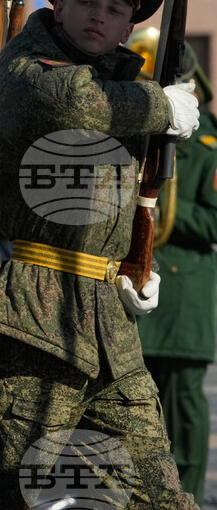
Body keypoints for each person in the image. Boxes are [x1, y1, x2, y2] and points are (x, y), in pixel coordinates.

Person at [0, 0, 200, 507]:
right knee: (6, 490)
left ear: (130, 25)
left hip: (109, 327)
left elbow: (122, 203)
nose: (98, 15)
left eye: (115, 8)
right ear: (57, 4)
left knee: (156, 493)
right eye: (86, 0)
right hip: (33, 317)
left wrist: (140, 264)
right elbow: (80, 105)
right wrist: (163, 105)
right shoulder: (26, 67)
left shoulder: (130, 89)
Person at [130, 29, 217, 503]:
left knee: (182, 404)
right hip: (136, 281)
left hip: (184, 292)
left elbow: (213, 222)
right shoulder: (135, 143)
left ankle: (191, 495)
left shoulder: (208, 148)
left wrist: (161, 203)